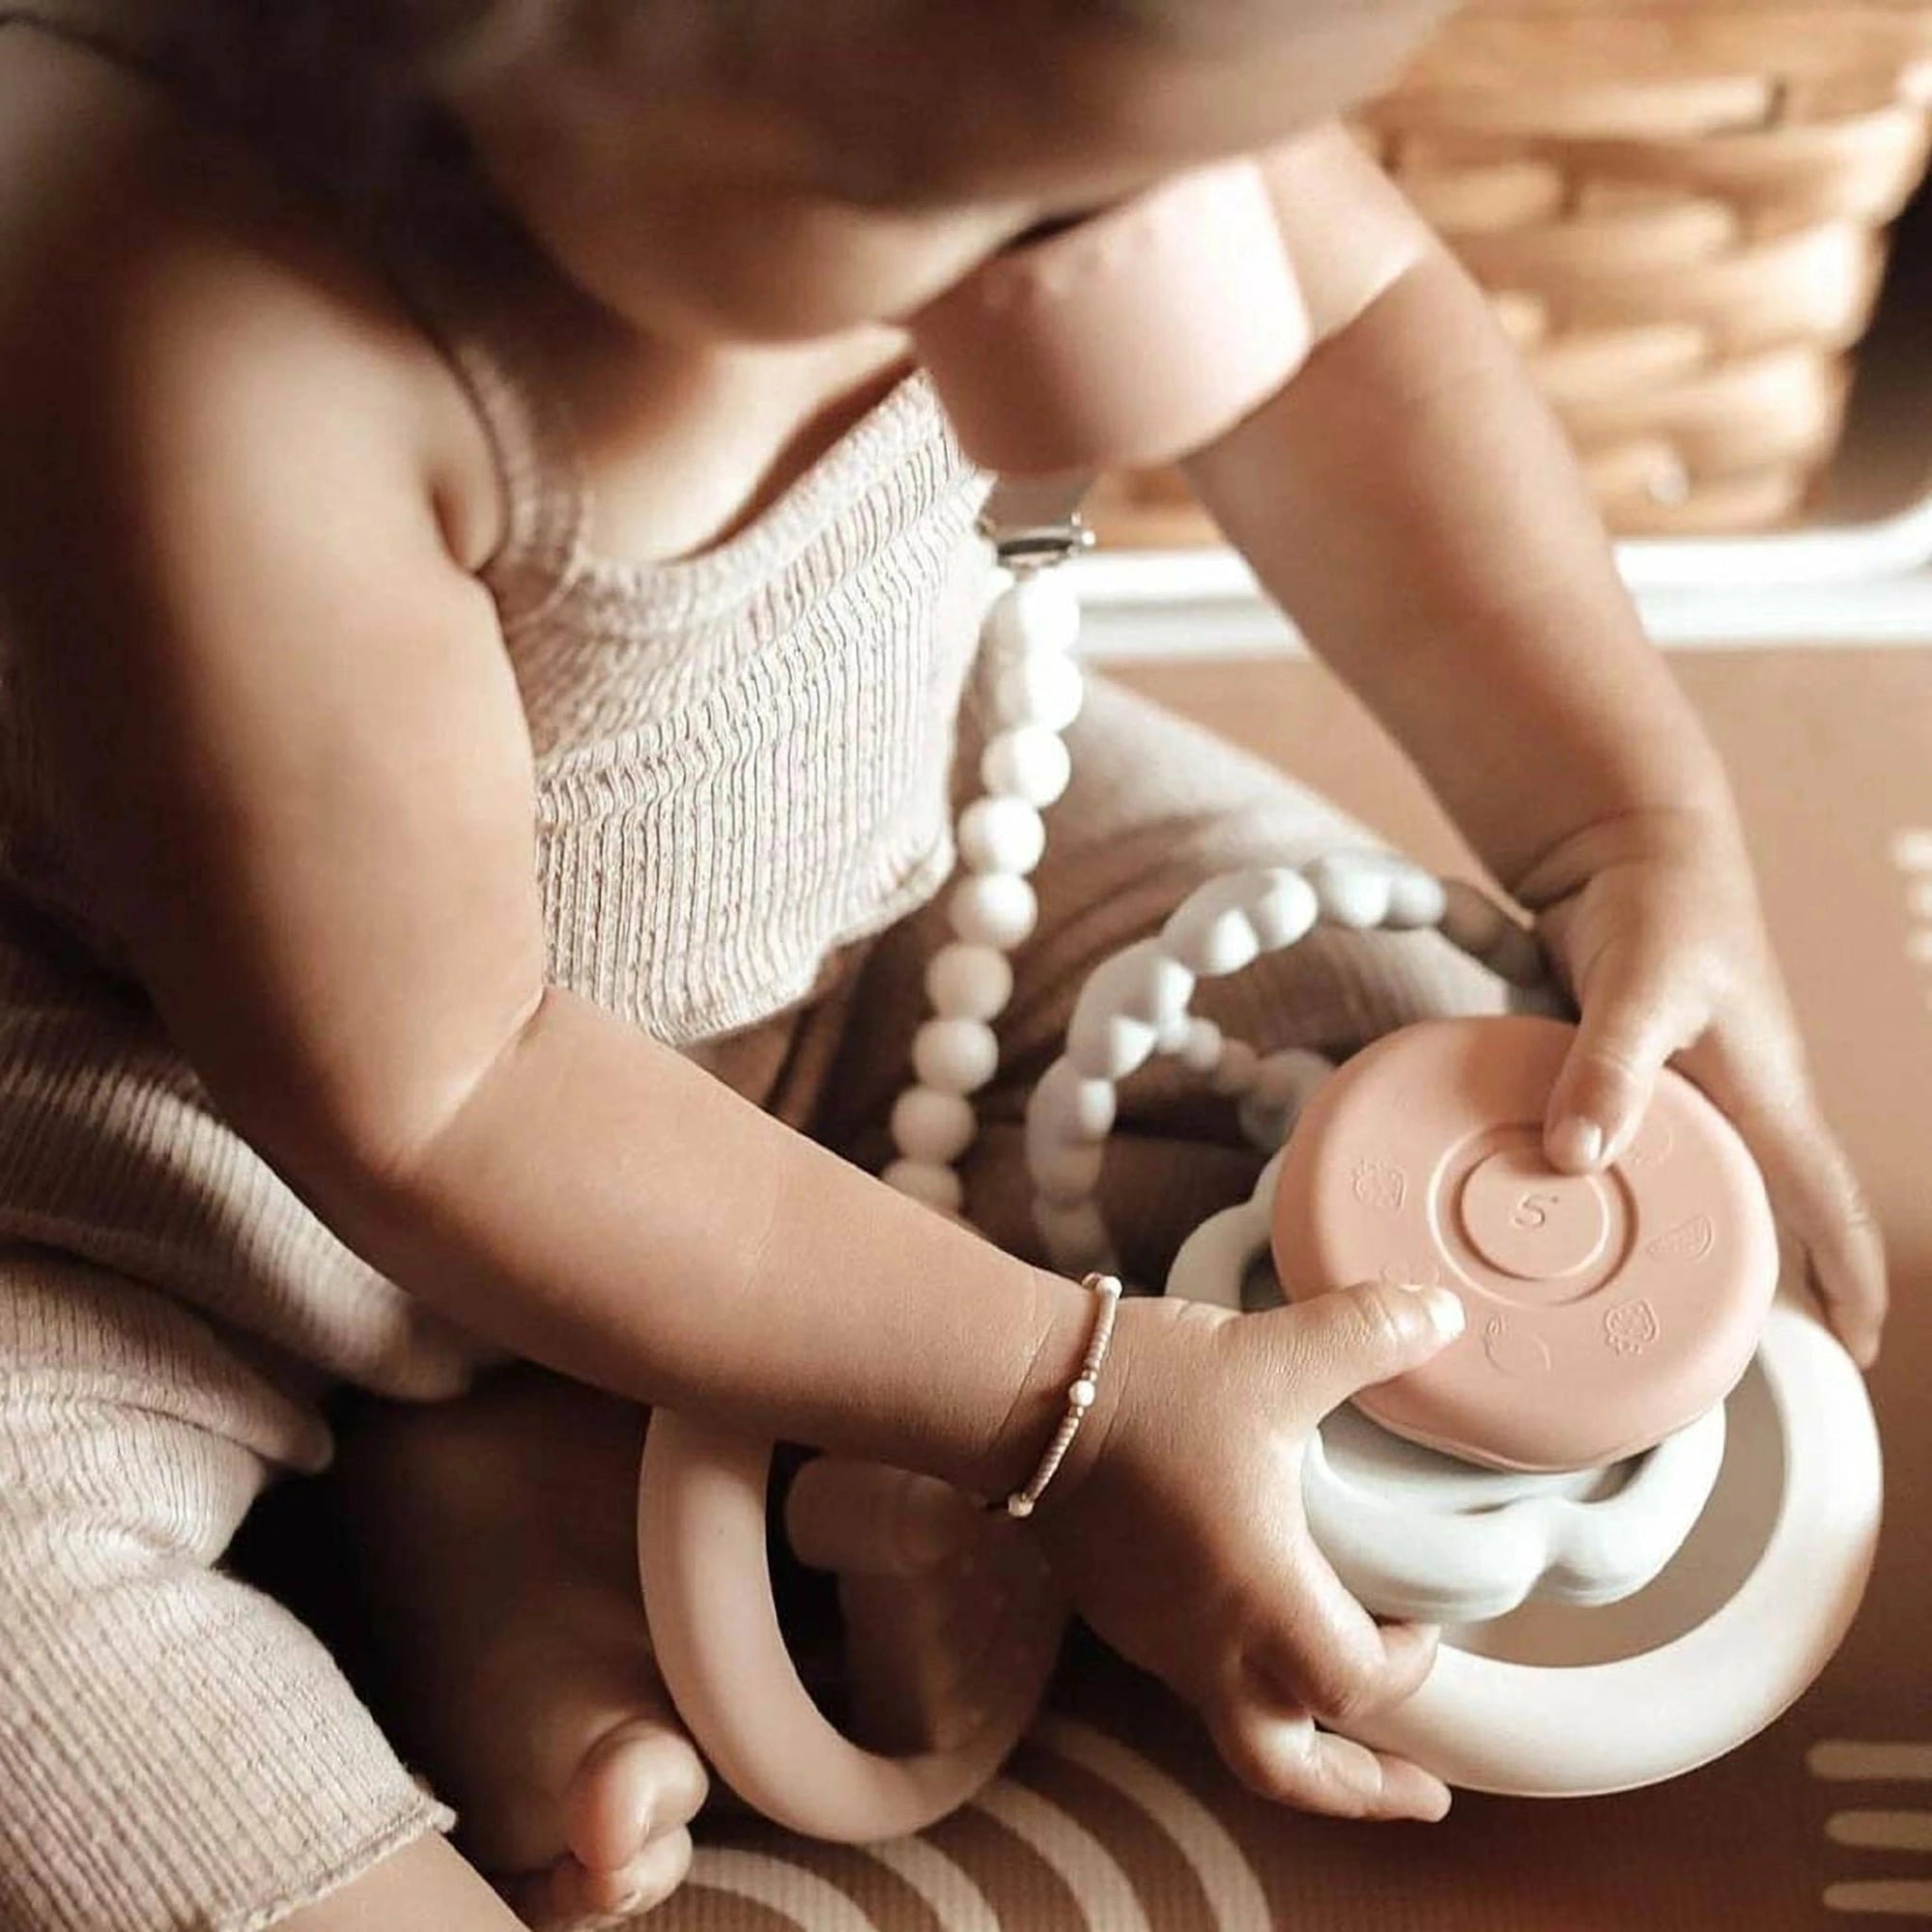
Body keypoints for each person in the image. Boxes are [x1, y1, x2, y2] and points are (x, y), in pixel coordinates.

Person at [0, 2, 1887, 1927]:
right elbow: (439, 1085)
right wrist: (1062, 1403)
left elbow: (1342, 329)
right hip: (218, 1145)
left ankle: (542, 1455)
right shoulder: (218, 326)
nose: (1142, 274)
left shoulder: (1047, 118)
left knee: (1420, 1040)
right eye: (991, 221)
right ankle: (536, 1494)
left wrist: (1621, 833)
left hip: (904, 872)